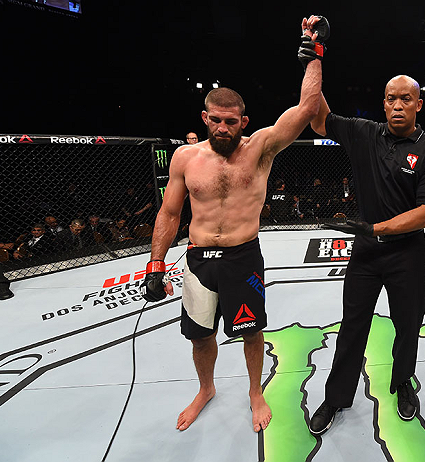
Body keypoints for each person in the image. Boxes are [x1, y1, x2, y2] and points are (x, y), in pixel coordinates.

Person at [139, 15, 325, 433]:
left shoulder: (260, 148)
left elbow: (308, 109)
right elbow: (169, 213)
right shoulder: (186, 159)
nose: (223, 127)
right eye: (216, 120)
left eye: (231, 120)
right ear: (204, 118)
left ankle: (255, 391)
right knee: (199, 336)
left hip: (243, 256)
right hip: (198, 258)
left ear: (243, 120)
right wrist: (154, 264)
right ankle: (206, 388)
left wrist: (314, 54)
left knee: (251, 330)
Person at [307, 74, 425, 435]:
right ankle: (336, 397)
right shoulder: (365, 133)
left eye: (405, 99)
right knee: (352, 326)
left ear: (418, 104)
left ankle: (403, 382)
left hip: (408, 254)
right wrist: (314, 60)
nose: (397, 106)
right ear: (383, 103)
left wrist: (375, 228)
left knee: (407, 326)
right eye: (390, 99)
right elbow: (317, 117)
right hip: (367, 254)